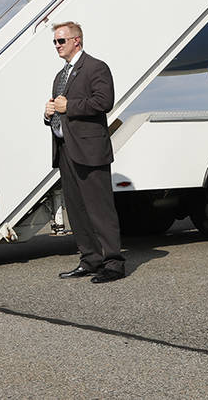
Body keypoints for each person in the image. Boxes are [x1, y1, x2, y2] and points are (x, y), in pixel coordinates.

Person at [44, 21, 126, 284]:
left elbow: (104, 101)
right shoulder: (60, 75)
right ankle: (90, 259)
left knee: (99, 209)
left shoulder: (95, 67)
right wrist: (48, 115)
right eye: (55, 41)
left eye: (61, 41)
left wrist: (70, 106)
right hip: (66, 148)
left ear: (76, 41)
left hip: (90, 149)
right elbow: (61, 109)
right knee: (77, 210)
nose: (57, 46)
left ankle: (113, 262)